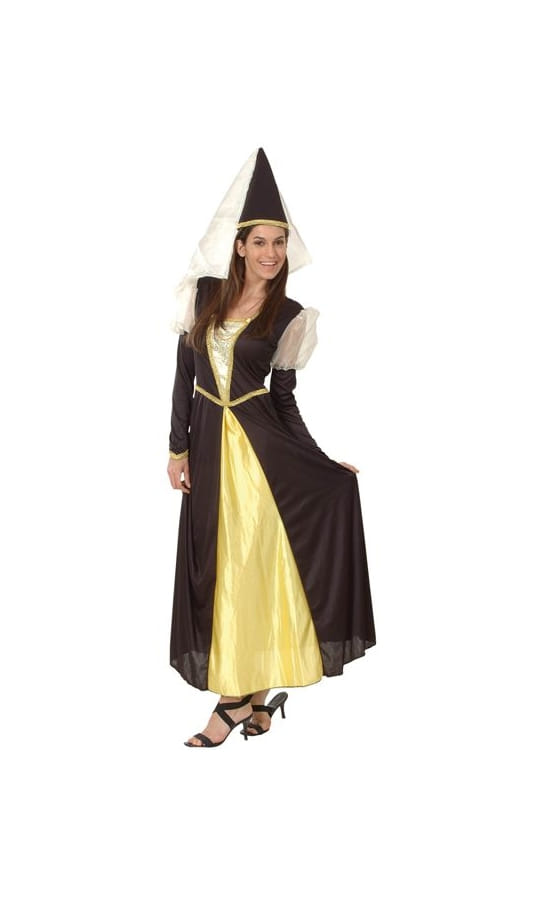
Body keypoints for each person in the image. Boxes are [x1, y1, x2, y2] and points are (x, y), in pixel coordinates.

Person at [167, 148, 375, 747]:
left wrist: (320, 463)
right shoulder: (204, 296)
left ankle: (233, 702)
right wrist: (177, 449)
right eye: (260, 242)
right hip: (212, 455)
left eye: (279, 243)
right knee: (221, 571)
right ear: (238, 246)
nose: (271, 253)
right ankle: (256, 702)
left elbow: (283, 400)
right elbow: (184, 377)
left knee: (252, 571)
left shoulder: (289, 315)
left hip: (266, 463)